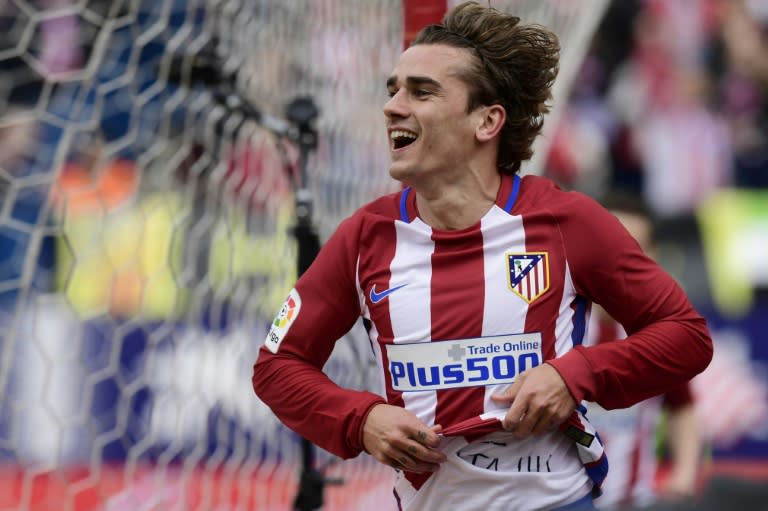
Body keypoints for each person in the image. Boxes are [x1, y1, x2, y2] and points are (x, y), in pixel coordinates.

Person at [252, 3, 713, 510]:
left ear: (487, 120)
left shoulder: (568, 222)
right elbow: (277, 367)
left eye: (421, 91)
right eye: (393, 90)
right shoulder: (364, 238)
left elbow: (686, 336)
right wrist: (361, 420)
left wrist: (574, 373)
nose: (392, 106)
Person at [584, 192, 702, 510]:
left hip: (637, 503)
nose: (623, 260)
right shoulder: (556, 326)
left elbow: (682, 406)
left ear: (653, 256)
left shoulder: (663, 334)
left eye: (637, 247)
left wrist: (684, 477)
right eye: (613, 246)